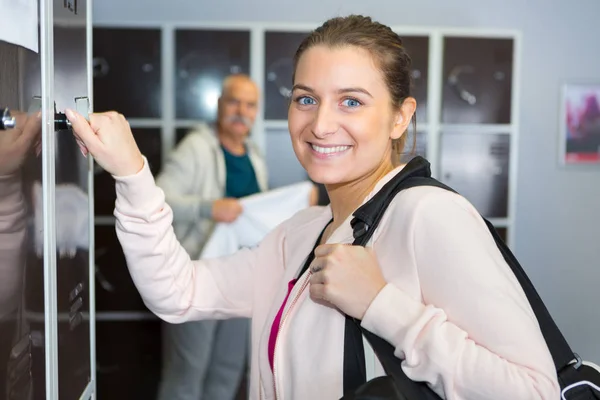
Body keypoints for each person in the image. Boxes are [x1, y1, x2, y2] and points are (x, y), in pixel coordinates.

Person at [66, 15, 560, 400]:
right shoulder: (299, 233)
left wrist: (382, 306)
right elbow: (178, 292)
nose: (321, 125)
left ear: (399, 117)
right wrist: (132, 175)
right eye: (306, 99)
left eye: (351, 102)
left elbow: (533, 391)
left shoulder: (431, 217)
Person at [154, 74, 267, 400]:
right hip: (197, 277)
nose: (241, 111)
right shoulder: (197, 147)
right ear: (219, 105)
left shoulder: (254, 155)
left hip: (242, 279)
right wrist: (208, 208)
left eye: (250, 105)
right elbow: (159, 197)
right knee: (187, 372)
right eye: (234, 101)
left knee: (228, 369)